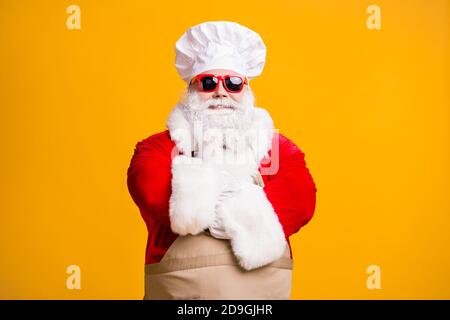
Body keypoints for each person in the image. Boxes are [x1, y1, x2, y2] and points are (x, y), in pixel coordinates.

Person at [127, 21, 317, 300]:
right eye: (208, 82)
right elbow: (151, 191)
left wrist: (201, 204)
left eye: (233, 82)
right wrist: (244, 207)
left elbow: (300, 203)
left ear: (246, 89)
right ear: (192, 88)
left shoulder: (278, 149)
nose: (220, 91)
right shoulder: (156, 148)